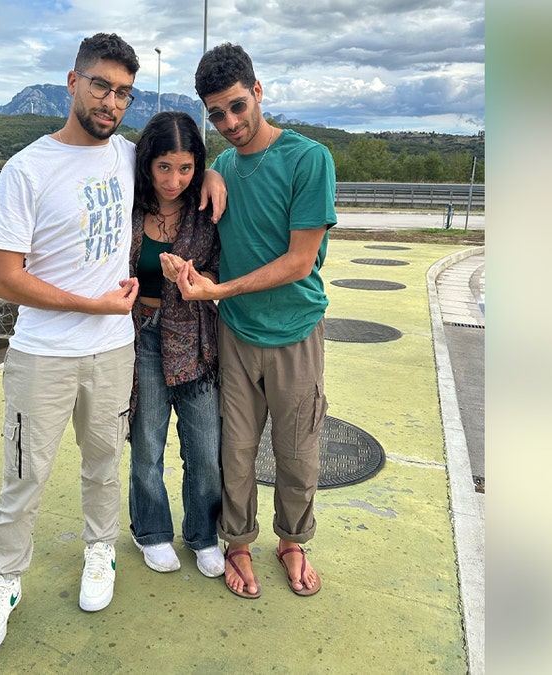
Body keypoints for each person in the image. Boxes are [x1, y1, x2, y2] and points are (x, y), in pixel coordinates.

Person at [0, 34, 224, 655]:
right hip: (43, 354)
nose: (112, 102)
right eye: (101, 86)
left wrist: (211, 171)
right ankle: (4, 581)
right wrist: (97, 304)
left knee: (106, 464)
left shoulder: (127, 157)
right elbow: (5, 277)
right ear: (73, 82)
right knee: (25, 474)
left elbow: (175, 160)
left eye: (123, 93)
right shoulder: (27, 168)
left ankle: (101, 552)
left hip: (113, 352)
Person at [165, 43, 336, 600]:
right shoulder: (222, 167)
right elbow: (183, 183)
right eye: (217, 114)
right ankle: (237, 542)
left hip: (295, 332)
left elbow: (299, 261)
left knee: (298, 449)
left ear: (258, 91)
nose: (230, 122)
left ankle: (292, 541)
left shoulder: (309, 159)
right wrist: (213, 169)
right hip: (236, 336)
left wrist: (219, 291)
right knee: (233, 453)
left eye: (238, 106)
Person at [127, 111, 224, 578]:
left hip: (195, 339)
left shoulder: (205, 210)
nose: (174, 179)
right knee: (147, 442)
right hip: (141, 333)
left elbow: (221, 272)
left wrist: (194, 278)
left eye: (186, 168)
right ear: (148, 162)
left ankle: (203, 534)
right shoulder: (128, 203)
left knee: (204, 447)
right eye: (164, 166)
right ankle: (151, 530)